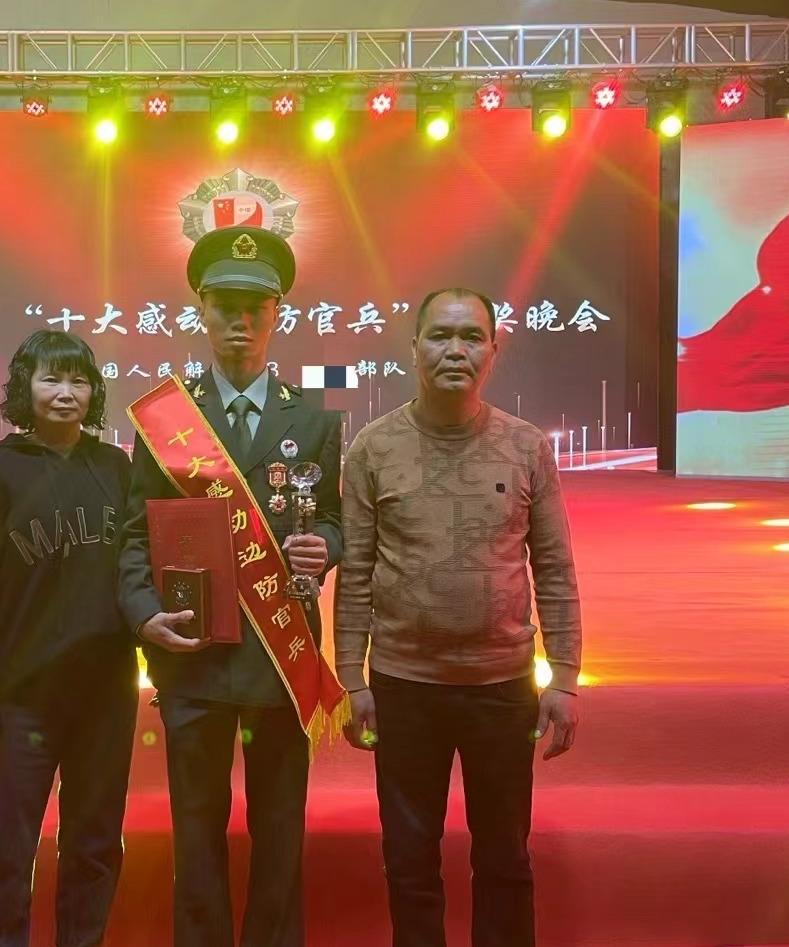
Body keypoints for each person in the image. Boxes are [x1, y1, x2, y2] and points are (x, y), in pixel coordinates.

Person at [334, 287, 582, 947]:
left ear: (494, 350)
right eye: (440, 336)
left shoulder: (526, 446)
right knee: (409, 860)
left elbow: (554, 567)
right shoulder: (372, 448)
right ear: (414, 347)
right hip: (403, 685)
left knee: (504, 858)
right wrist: (350, 677)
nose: (455, 350)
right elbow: (355, 571)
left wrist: (564, 676)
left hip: (501, 686)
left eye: (471, 336)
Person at [119, 225, 345, 947]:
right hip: (194, 653)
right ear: (202, 311)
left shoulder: (316, 413)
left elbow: (335, 516)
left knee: (280, 827)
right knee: (195, 828)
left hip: (281, 653)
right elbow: (134, 534)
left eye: (255, 307)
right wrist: (144, 614)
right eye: (224, 306)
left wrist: (327, 546)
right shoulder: (166, 418)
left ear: (279, 313)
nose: (240, 321)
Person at [0, 329, 137, 947]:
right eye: (51, 378)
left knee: (96, 843)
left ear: (94, 392)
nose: (65, 392)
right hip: (20, 694)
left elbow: (143, 566)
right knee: (8, 847)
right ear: (25, 388)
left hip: (105, 693)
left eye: (79, 380)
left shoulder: (116, 468)